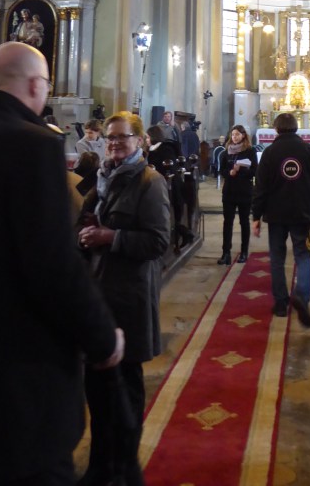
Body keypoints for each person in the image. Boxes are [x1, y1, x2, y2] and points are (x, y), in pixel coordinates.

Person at [0, 41, 123, 486]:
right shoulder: (33, 145)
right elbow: (53, 264)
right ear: (37, 86)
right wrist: (101, 338)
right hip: (16, 381)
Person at [78, 111, 171, 486]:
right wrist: (83, 235)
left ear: (140, 142)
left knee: (124, 392)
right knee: (97, 393)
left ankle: (125, 471)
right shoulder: (102, 177)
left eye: (122, 138)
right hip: (99, 296)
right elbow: (87, 222)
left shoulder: (151, 182)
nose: (114, 144)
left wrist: (110, 238)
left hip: (129, 300)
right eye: (110, 139)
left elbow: (158, 242)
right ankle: (100, 469)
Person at [251, 112, 310, 327]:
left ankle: (281, 303)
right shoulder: (309, 151)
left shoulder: (270, 152)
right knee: (303, 255)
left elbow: (261, 187)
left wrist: (256, 215)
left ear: (276, 129)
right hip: (302, 212)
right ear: (296, 127)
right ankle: (302, 296)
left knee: (276, 258)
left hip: (275, 213)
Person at [217, 124, 258, 265]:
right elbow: (221, 170)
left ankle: (244, 252)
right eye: (233, 135)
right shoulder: (226, 152)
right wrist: (229, 173)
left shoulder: (250, 152)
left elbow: (254, 171)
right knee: (227, 223)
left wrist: (241, 170)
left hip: (244, 191)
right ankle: (225, 253)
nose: (234, 137)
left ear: (243, 136)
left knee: (243, 222)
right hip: (229, 191)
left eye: (237, 135)